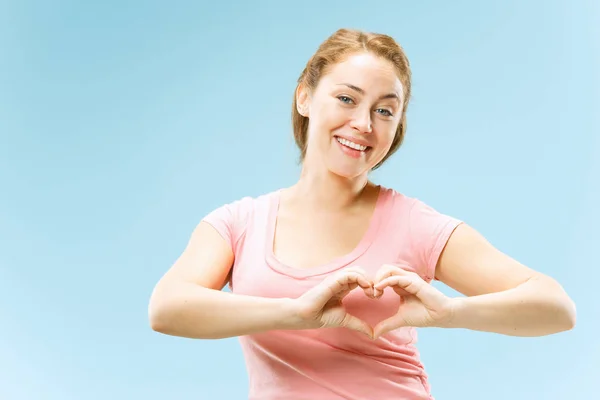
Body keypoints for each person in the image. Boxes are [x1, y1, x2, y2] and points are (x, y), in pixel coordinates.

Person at [148, 28, 576, 400]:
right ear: (305, 97)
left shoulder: (413, 223)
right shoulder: (238, 224)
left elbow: (555, 307)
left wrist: (450, 313)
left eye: (384, 110)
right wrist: (295, 314)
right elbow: (167, 309)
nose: (364, 123)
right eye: (347, 98)